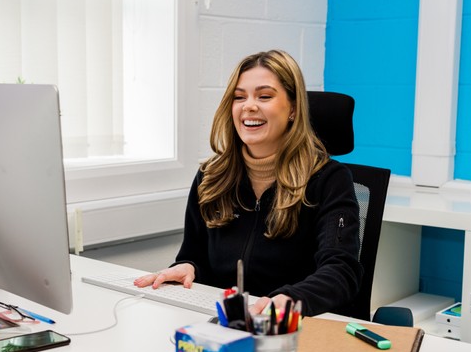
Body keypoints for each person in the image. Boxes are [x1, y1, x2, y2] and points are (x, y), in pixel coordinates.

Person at [134, 50, 362, 317]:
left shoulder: (328, 179)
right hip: (227, 322)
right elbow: (194, 254)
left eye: (264, 96)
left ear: (293, 109)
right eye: (239, 97)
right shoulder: (211, 177)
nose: (248, 106)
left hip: (292, 326)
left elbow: (341, 270)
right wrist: (188, 266)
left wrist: (290, 298)